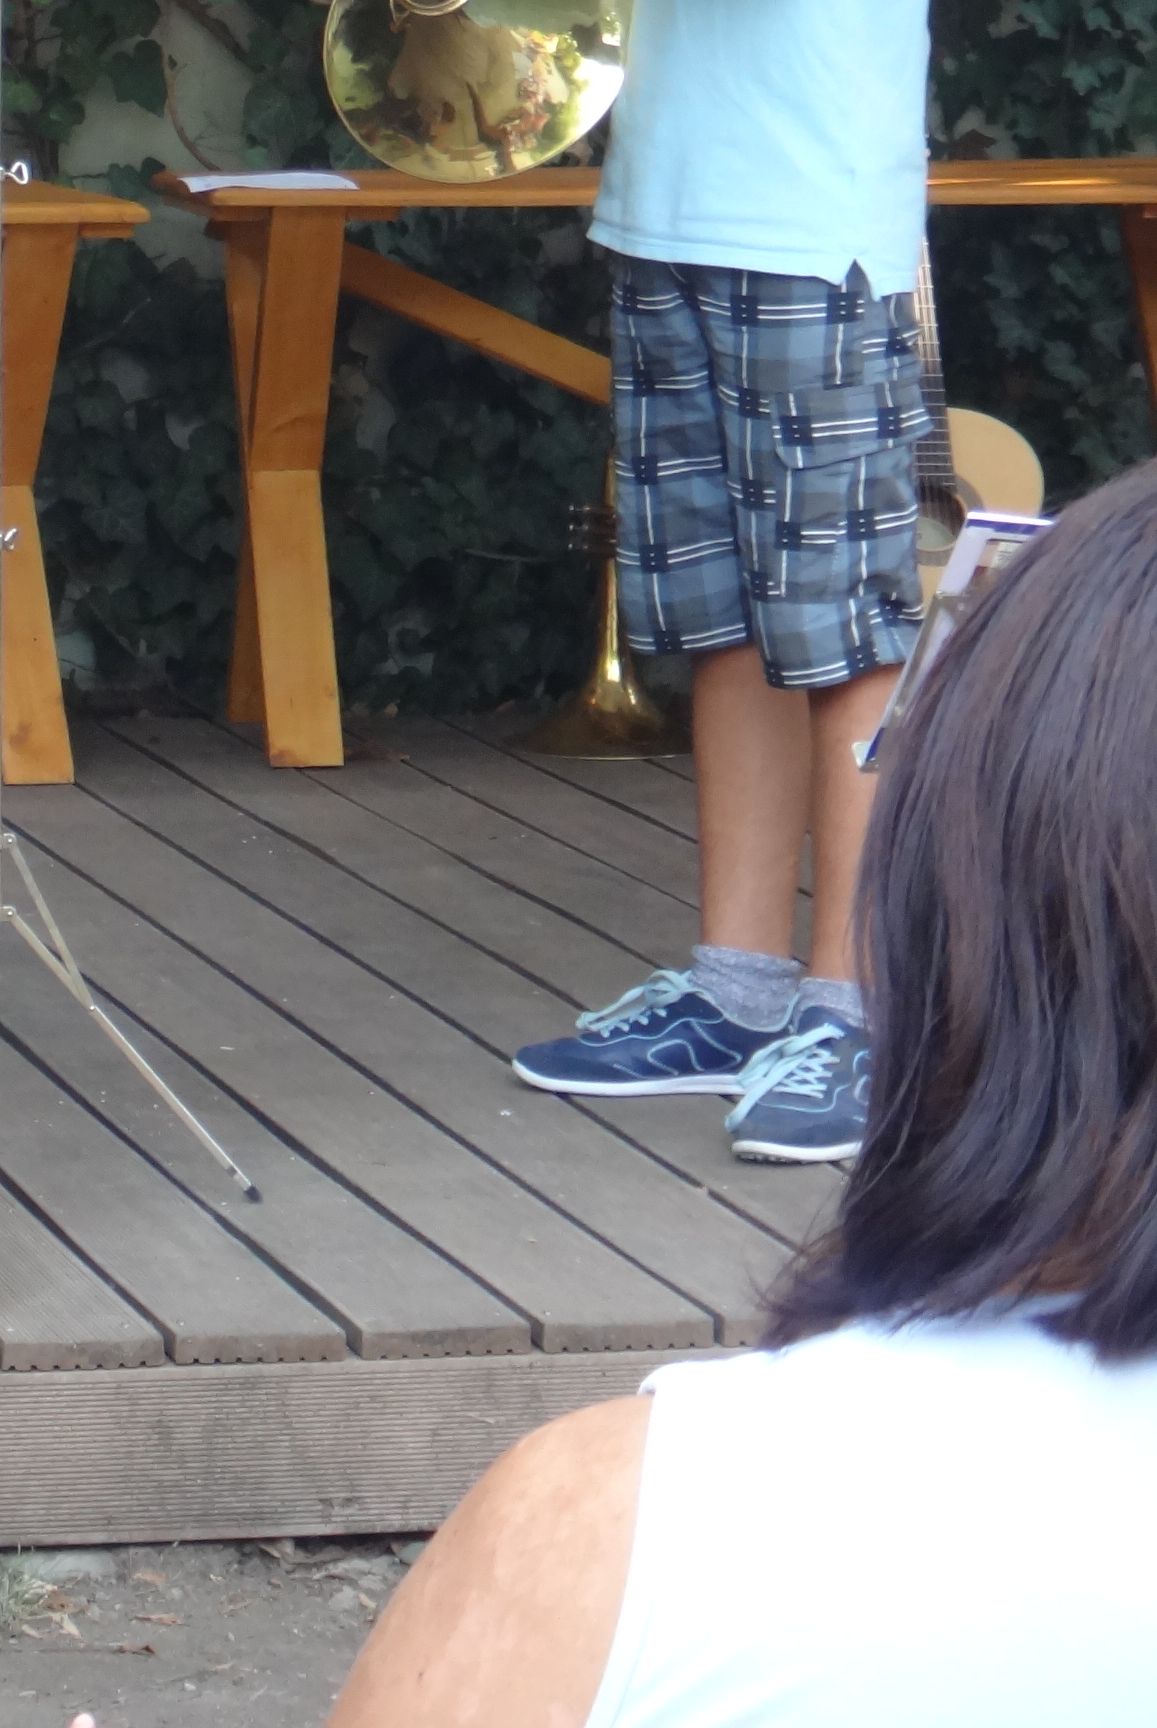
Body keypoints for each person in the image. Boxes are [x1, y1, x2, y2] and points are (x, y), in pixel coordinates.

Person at [327, 459, 1157, 1724]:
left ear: (940, 910)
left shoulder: (609, 1531)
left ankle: (813, 1001)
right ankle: (741, 981)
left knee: (819, 575)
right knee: (727, 566)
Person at [408, 0, 946, 1166]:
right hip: (674, 208)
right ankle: (734, 985)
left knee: (844, 638)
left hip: (811, 227)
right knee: (718, 625)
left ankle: (852, 1011)